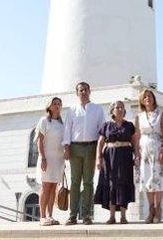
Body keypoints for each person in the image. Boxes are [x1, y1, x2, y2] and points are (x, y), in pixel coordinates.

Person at [62, 82, 106, 225]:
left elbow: (102, 131)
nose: (83, 92)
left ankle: (87, 215)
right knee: (75, 182)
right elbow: (67, 130)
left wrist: (100, 151)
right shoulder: (72, 110)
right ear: (77, 93)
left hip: (91, 147)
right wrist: (66, 148)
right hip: (75, 148)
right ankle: (73, 215)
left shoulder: (98, 109)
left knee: (88, 182)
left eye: (85, 89)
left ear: (90, 91)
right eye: (80, 90)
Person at [94, 100, 139, 224]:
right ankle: (112, 216)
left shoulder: (129, 125)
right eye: (116, 107)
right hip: (110, 157)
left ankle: (124, 216)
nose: (119, 109)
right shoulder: (106, 125)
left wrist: (137, 155)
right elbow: (100, 143)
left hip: (125, 157)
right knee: (111, 184)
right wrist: (99, 158)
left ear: (124, 110)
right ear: (112, 110)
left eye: (121, 107)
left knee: (124, 183)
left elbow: (134, 142)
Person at [136, 88, 163, 223]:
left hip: (157, 148)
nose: (147, 99)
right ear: (142, 101)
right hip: (144, 149)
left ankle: (158, 208)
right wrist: (136, 152)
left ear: (153, 98)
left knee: (158, 179)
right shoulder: (139, 116)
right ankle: (151, 210)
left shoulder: (160, 113)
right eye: (144, 97)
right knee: (147, 179)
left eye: (149, 96)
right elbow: (137, 135)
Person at [36, 97, 65, 226]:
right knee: (45, 186)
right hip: (46, 157)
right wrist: (43, 157)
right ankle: (42, 217)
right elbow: (39, 141)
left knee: (53, 188)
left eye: (59, 104)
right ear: (49, 106)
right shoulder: (44, 121)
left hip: (58, 160)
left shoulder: (62, 124)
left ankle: (50, 215)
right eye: (54, 104)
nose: (57, 106)